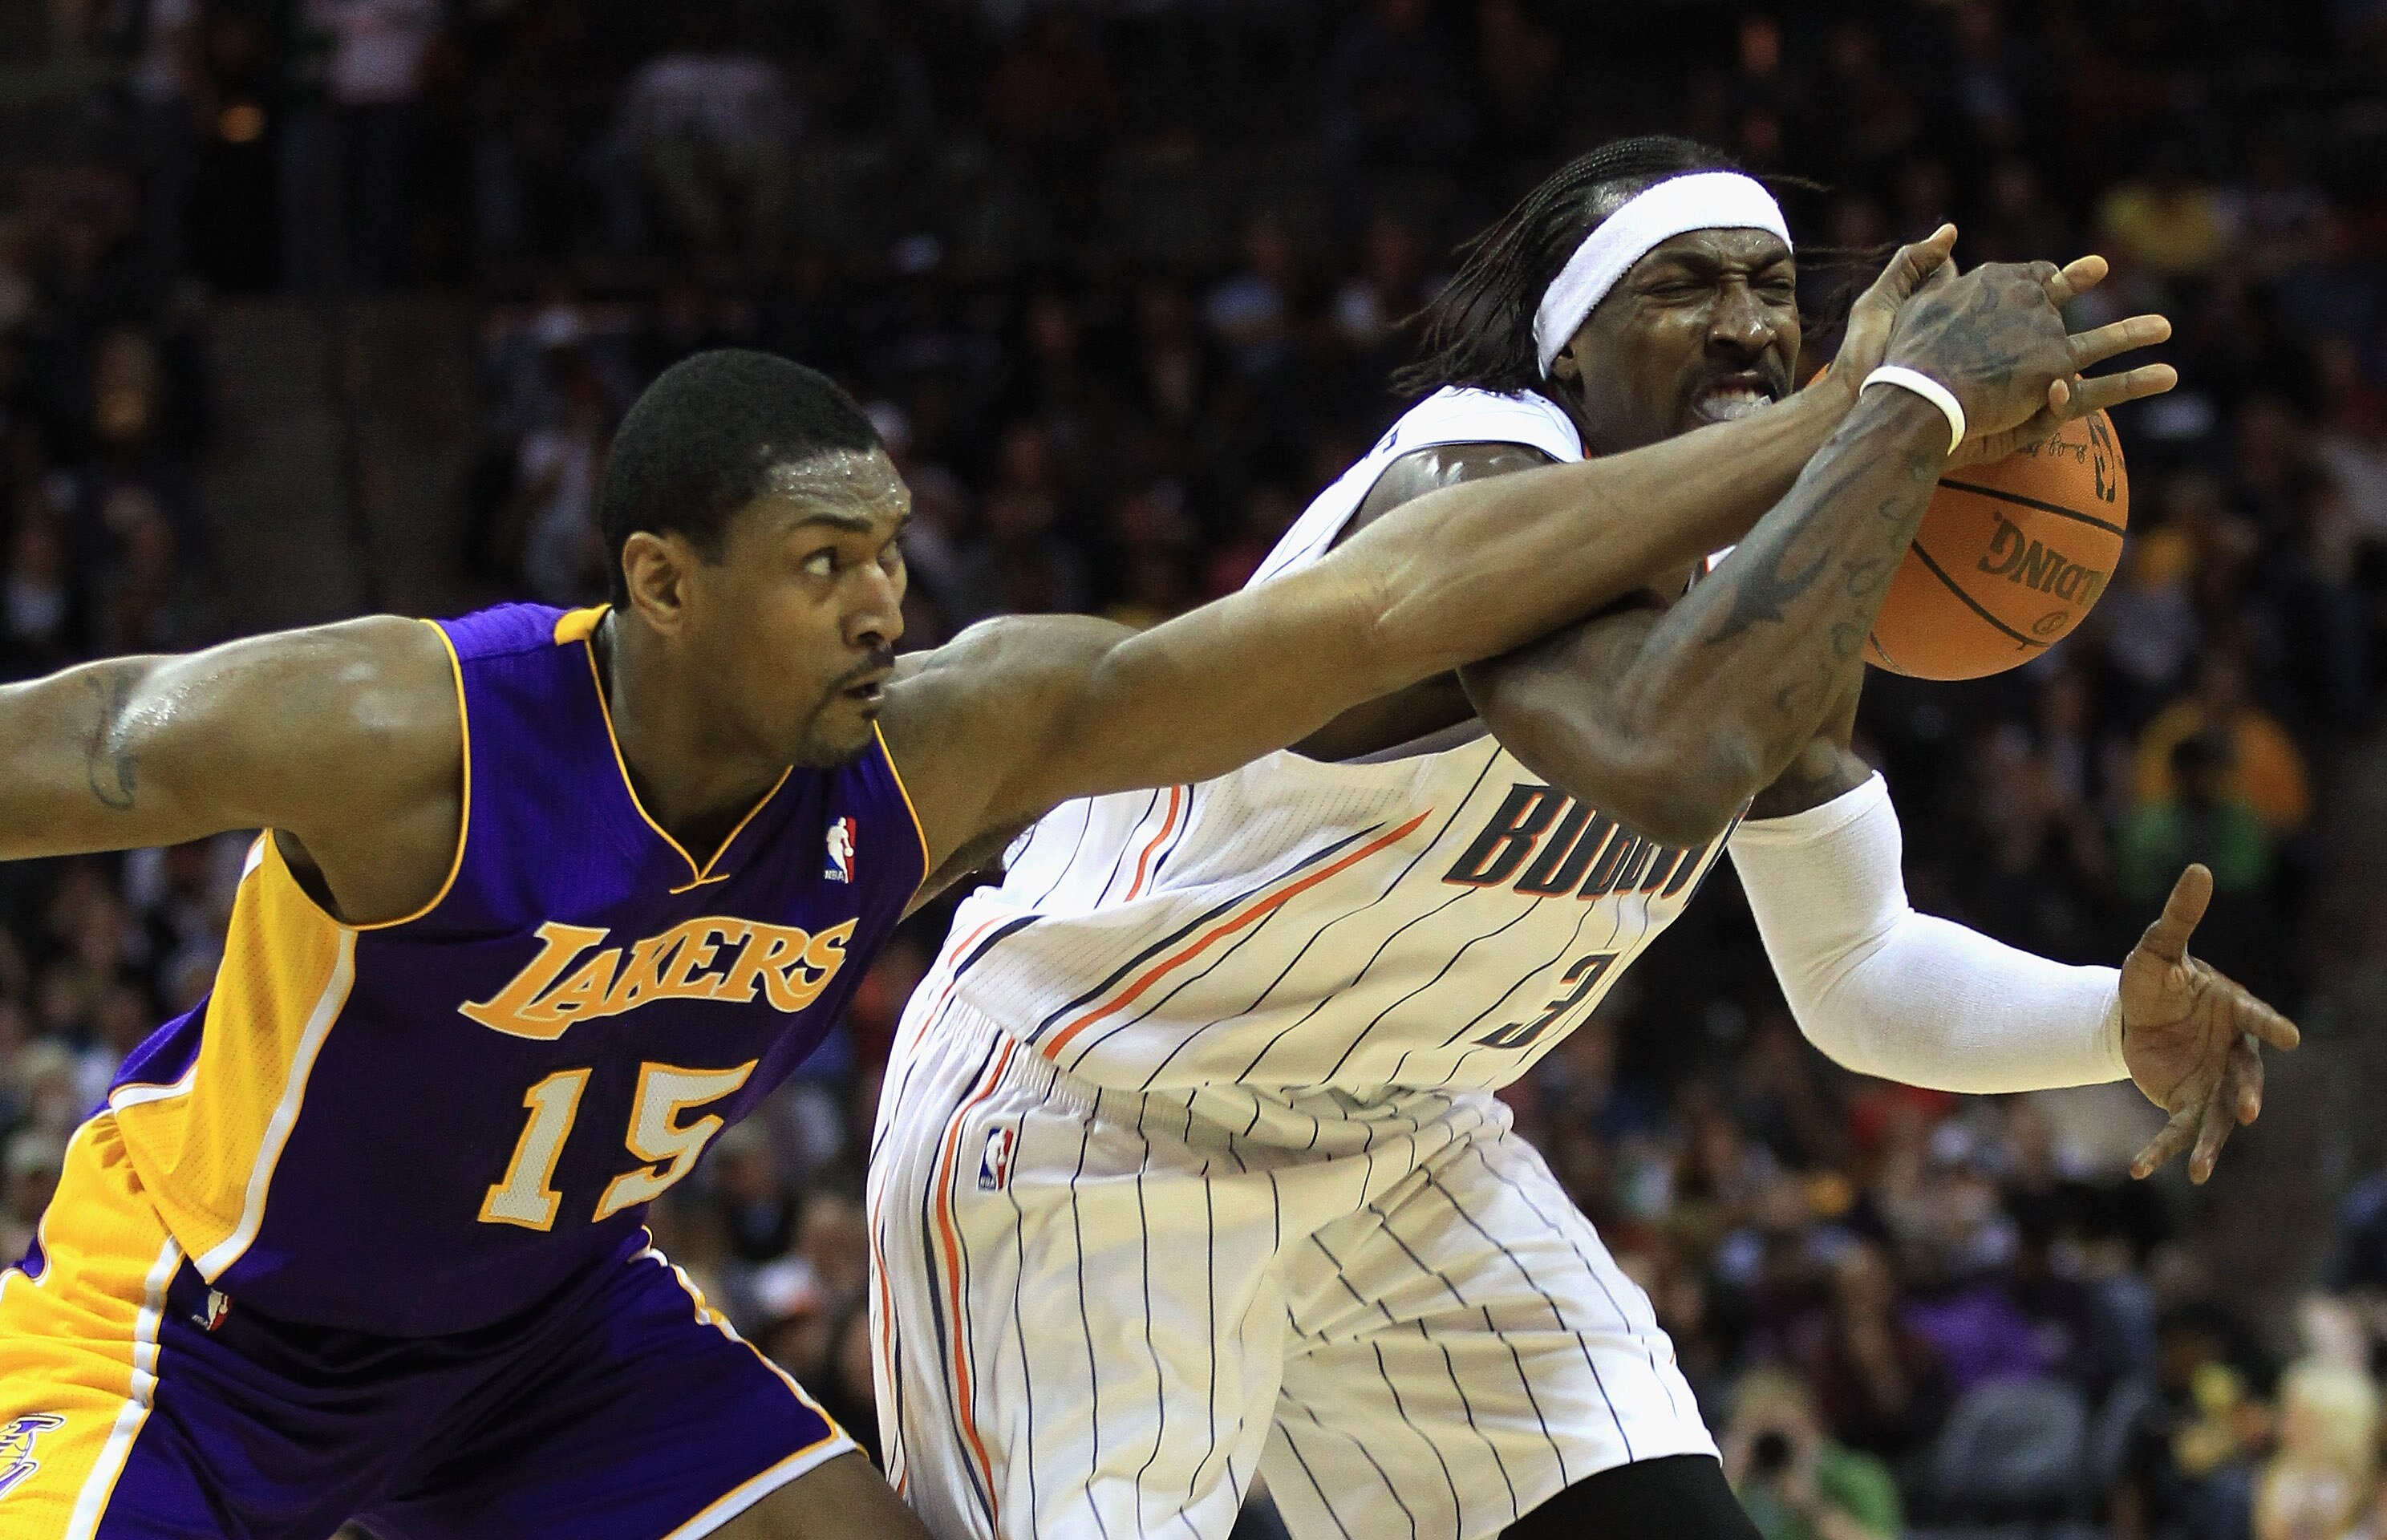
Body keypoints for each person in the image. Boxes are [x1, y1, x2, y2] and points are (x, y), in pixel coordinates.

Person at [0, 342, 1976, 1539]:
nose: (882, 605)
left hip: (544, 1346)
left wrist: (1844, 421)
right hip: (194, 1338)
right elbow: (94, 745)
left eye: (891, 552)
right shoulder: (416, 735)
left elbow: (1374, 621)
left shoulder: (937, 754)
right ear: (660, 585)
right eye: (822, 566)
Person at [870, 138, 2293, 1540]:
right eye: (1682, 286)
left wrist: (2109, 1022)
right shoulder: (1468, 478)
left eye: (1773, 288)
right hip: (1089, 1122)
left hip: (1401, 1154)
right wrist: (1906, 412)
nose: (1744, 322)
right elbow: (1667, 756)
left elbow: (1857, 963)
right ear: (1568, 357)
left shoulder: (1784, 582)